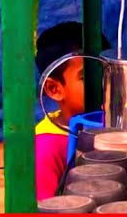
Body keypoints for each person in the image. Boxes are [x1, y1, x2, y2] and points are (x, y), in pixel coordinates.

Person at [34, 22, 108, 201]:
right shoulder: (47, 146)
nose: (103, 84)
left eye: (107, 72)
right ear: (54, 89)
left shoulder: (116, 121)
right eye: (86, 77)